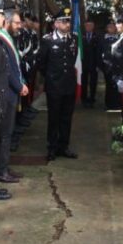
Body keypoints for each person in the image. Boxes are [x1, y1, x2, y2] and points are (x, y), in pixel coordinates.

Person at [0, 1, 28, 184]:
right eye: (1, 16)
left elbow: (13, 65)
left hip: (9, 92)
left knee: (7, 134)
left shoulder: (3, 37)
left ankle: (3, 166)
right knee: (4, 135)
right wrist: (18, 86)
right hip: (5, 93)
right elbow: (5, 70)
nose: (3, 19)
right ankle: (0, 171)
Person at [36, 8, 79, 162]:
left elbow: (73, 60)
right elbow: (41, 62)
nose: (67, 24)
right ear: (56, 24)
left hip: (69, 85)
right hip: (54, 86)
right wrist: (50, 78)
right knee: (53, 118)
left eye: (68, 21)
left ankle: (63, 146)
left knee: (66, 118)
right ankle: (52, 148)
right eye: (63, 21)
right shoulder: (48, 40)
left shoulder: (73, 39)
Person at [101, 20, 121, 111]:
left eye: (113, 26)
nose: (111, 28)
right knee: (109, 85)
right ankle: (109, 104)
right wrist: (102, 65)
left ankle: (117, 104)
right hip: (107, 66)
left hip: (117, 66)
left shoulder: (119, 38)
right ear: (106, 29)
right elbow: (99, 53)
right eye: (109, 27)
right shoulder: (103, 39)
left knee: (117, 85)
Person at [81, 20, 101, 108]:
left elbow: (99, 51)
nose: (88, 27)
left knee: (93, 82)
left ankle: (92, 98)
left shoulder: (97, 36)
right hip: (83, 63)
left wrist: (98, 64)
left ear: (93, 27)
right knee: (83, 82)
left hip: (93, 63)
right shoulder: (81, 36)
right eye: (87, 26)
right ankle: (84, 98)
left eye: (90, 25)